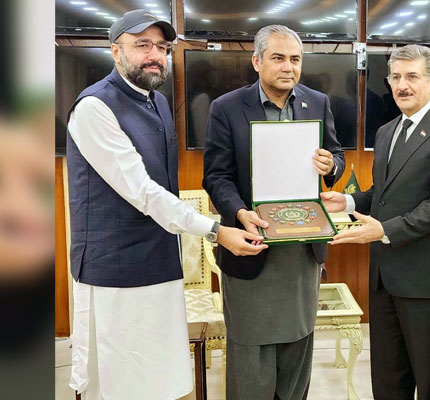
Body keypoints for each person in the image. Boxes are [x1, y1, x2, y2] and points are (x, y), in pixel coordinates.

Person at [65, 10, 267, 399]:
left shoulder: (157, 101)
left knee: (160, 381)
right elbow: (142, 191)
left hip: (159, 262)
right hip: (115, 272)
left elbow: (164, 191)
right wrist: (215, 230)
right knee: (121, 384)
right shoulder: (95, 107)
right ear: (115, 51)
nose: (155, 54)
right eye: (142, 45)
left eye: (161, 46)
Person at [321, 44, 430, 399]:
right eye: (395, 77)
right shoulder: (387, 131)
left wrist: (384, 230)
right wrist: (344, 200)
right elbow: (383, 194)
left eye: (412, 77)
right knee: (388, 381)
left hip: (427, 280)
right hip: (384, 277)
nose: (402, 85)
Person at [202, 25, 345, 399]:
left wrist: (331, 166)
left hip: (301, 254)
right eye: (278, 58)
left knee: (298, 351)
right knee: (252, 360)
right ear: (257, 61)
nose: (288, 67)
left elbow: (338, 157)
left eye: (295, 59)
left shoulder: (318, 102)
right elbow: (217, 176)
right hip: (252, 246)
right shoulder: (227, 107)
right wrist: (238, 213)